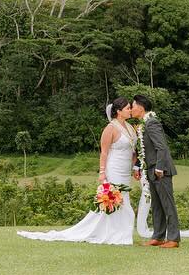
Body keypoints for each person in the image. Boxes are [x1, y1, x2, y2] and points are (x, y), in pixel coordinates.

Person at [17, 98, 139, 244]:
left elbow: (133, 151)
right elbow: (104, 152)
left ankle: (120, 233)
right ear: (119, 111)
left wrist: (134, 167)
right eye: (127, 108)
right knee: (114, 200)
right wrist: (102, 173)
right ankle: (114, 234)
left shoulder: (130, 128)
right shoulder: (110, 128)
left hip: (125, 171)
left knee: (124, 200)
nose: (130, 110)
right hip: (114, 169)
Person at [129, 94, 180, 248]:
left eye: (132, 106)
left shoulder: (152, 123)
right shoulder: (143, 124)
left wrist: (159, 167)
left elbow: (161, 147)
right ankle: (158, 236)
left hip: (160, 170)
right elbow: (144, 150)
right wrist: (138, 166)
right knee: (156, 205)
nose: (131, 109)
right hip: (150, 170)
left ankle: (173, 239)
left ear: (140, 107)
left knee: (167, 204)